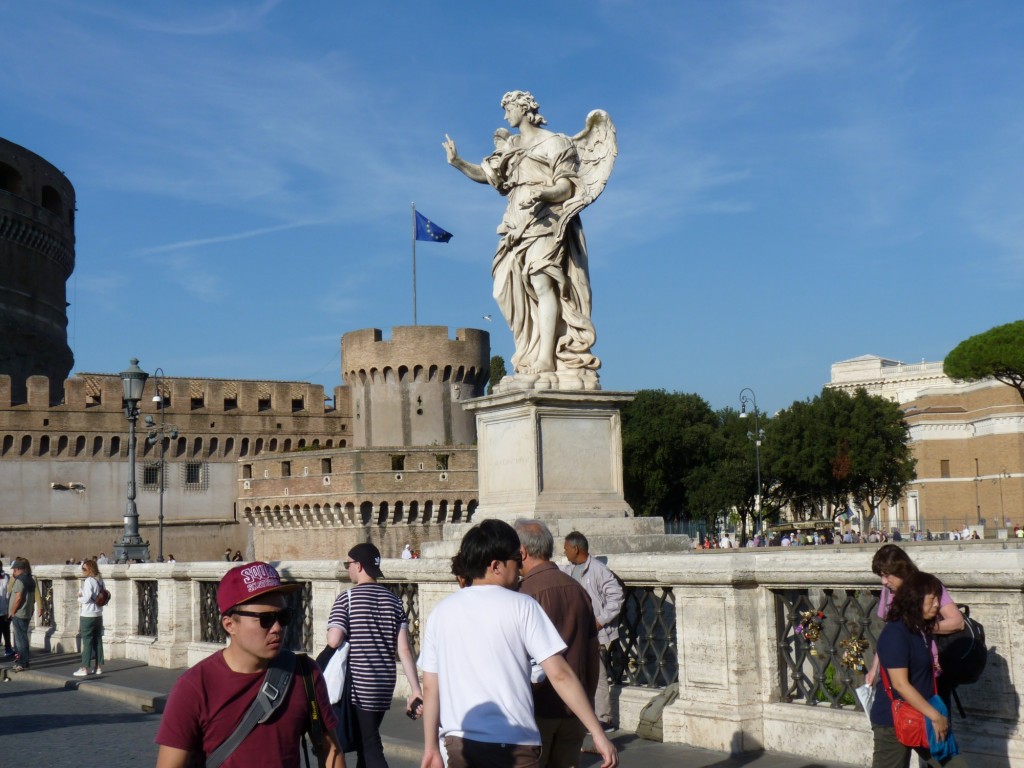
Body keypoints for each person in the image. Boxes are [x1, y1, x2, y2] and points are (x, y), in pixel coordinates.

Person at [442, 91, 614, 387]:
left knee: (542, 281)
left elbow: (567, 188)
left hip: (547, 220)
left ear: (523, 108)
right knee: (505, 289)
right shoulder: (511, 145)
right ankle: (529, 351)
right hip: (515, 224)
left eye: (508, 108)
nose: (505, 115)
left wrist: (543, 193)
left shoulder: (556, 143)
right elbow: (488, 175)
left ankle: (546, 357)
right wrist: (458, 162)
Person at [418, 519, 617, 768]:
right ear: (496, 565)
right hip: (514, 742)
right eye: (516, 558)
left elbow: (430, 685)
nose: (520, 565)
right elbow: (560, 674)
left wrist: (431, 748)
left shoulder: (441, 612)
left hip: (461, 743)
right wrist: (597, 732)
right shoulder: (522, 606)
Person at [155, 561, 342, 767]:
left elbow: (331, 749)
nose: (277, 628)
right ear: (230, 625)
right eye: (266, 619)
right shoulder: (194, 687)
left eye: (284, 617)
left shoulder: (305, 674)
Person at [327, 543, 422, 768]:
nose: (347, 569)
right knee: (364, 743)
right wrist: (415, 689)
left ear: (359, 566)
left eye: (348, 564)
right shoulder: (395, 601)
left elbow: (333, 640)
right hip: (384, 684)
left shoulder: (346, 599)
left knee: (370, 745)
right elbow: (404, 649)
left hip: (360, 685)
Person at [515, 519, 600, 766]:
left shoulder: (522, 596)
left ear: (522, 552)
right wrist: (587, 703)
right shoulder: (577, 590)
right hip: (574, 710)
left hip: (537, 709)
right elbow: (592, 654)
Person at [869, 571, 967, 768]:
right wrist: (935, 716)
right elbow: (900, 684)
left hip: (925, 714)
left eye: (938, 599)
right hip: (894, 719)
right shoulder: (896, 633)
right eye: (932, 600)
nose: (938, 605)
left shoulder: (920, 629)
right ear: (914, 600)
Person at [866, 545, 964, 707]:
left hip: (928, 669)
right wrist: (875, 668)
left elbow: (957, 621)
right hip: (898, 669)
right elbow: (888, 633)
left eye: (887, 575)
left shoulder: (927, 586)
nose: (884, 582)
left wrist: (919, 627)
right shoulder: (888, 591)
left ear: (900, 570)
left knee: (934, 722)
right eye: (881, 576)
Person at [561, 531, 624, 731]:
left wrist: (600, 621)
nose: (564, 551)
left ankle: (604, 719)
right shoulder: (570, 569)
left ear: (576, 549)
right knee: (579, 673)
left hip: (595, 632)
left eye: (566, 548)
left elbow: (616, 597)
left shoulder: (598, 570)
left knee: (597, 674)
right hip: (577, 630)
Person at [73, 558, 106, 676]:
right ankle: (98, 667)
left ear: (89, 569)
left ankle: (84, 667)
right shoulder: (100, 580)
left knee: (87, 641)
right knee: (98, 640)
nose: (82, 571)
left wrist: (79, 597)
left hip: (87, 615)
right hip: (98, 614)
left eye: (84, 569)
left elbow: (86, 599)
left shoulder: (88, 581)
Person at [8, 557, 35, 671]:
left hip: (19, 612)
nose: (13, 572)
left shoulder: (20, 580)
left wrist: (13, 611)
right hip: (27, 611)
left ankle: (21, 662)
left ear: (18, 569)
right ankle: (25, 661)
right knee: (24, 638)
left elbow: (18, 597)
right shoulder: (31, 579)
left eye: (14, 570)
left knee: (20, 640)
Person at [0, 560, 10, 655]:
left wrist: (8, 610)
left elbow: (8, 594)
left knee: (6, 630)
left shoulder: (6, 577)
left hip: (3, 610)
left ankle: (8, 648)